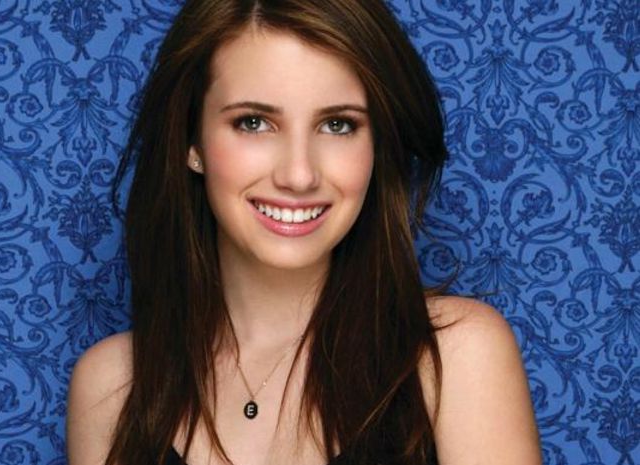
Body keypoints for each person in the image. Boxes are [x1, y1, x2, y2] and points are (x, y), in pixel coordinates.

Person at [65, 0, 543, 464]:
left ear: (377, 146)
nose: (299, 175)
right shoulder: (113, 387)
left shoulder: (455, 355)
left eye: (337, 125)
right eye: (253, 123)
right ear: (192, 142)